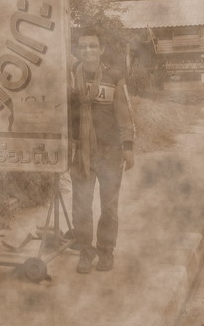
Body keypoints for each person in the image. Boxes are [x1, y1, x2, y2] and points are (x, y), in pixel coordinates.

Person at [69, 27, 135, 274]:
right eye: (83, 46)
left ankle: (106, 252)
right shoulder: (69, 77)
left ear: (102, 49)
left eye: (93, 46)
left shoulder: (114, 76)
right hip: (81, 151)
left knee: (109, 207)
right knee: (81, 206)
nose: (88, 51)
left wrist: (128, 146)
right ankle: (86, 253)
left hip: (110, 151)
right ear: (76, 50)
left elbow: (124, 113)